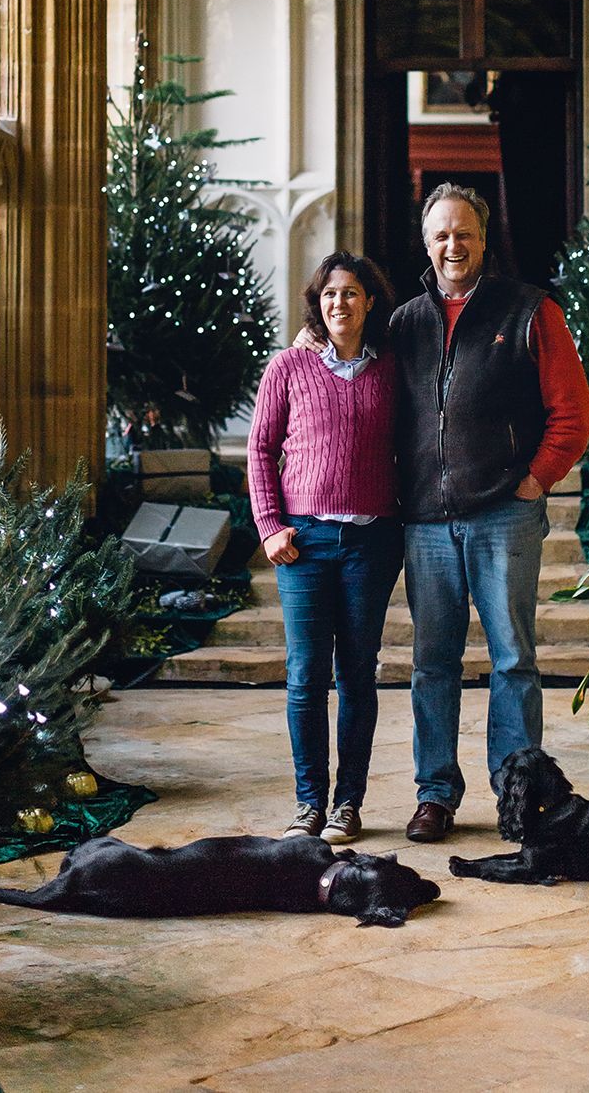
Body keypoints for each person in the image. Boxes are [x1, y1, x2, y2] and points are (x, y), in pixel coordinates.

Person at [394, 183, 589, 843]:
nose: (454, 245)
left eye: (465, 233)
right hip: (426, 520)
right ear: (427, 244)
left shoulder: (532, 311)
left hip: (504, 516)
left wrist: (536, 481)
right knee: (433, 664)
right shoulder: (404, 324)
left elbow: (574, 413)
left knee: (512, 660)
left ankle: (518, 795)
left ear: (485, 238)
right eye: (441, 235)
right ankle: (434, 794)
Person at [247, 251, 402, 845]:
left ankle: (349, 804)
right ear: (319, 303)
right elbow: (260, 451)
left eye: (353, 293)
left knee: (357, 674)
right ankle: (309, 803)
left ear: (369, 303)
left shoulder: (391, 370)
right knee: (306, 675)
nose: (341, 302)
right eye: (331, 293)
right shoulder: (287, 368)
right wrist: (269, 524)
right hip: (304, 543)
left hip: (372, 541)